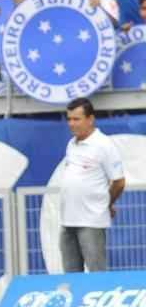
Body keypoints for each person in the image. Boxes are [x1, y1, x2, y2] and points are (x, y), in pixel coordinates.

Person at [58, 97, 125, 273]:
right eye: (69, 119)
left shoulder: (104, 145)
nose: (71, 124)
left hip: (91, 221)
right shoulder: (71, 144)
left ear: (90, 119)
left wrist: (107, 204)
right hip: (67, 221)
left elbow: (119, 182)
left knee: (97, 276)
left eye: (76, 119)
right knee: (71, 277)